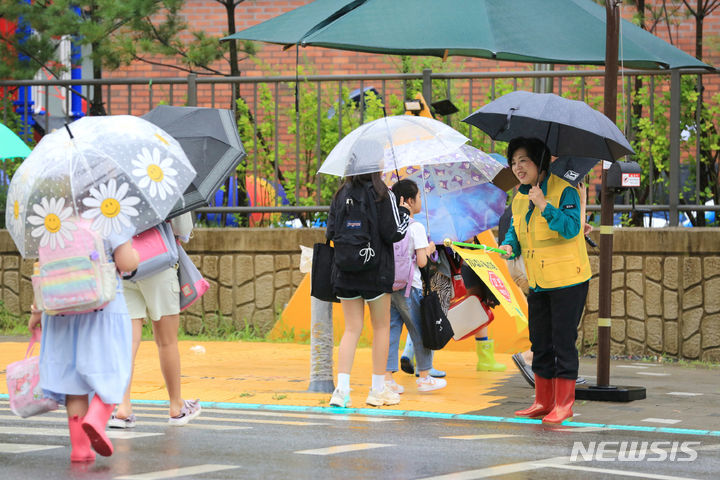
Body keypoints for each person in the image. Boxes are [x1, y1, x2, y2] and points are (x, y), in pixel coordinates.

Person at [498, 137, 591, 425]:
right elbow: (516, 229)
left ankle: (564, 404)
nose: (517, 168)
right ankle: (542, 401)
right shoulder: (519, 197)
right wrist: (509, 244)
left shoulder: (566, 191)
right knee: (539, 341)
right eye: (513, 162)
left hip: (568, 280)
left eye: (523, 160)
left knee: (563, 341)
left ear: (540, 160)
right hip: (537, 280)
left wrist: (544, 205)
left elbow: (571, 229)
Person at [28, 231, 139, 463]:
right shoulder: (109, 215)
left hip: (60, 308)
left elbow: (45, 266)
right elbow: (126, 262)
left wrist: (36, 310)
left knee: (74, 382)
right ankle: (97, 418)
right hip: (102, 304)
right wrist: (135, 254)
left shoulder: (53, 219)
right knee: (115, 367)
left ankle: (80, 449)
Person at [326, 165, 410, 408]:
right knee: (382, 327)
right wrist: (404, 214)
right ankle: (377, 390)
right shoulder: (384, 194)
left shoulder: (340, 194)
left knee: (351, 329)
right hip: (375, 272)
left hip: (345, 270)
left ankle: (341, 392)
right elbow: (394, 233)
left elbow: (330, 231)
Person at [109, 213, 200, 428]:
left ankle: (123, 408)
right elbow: (182, 227)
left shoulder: (113, 185)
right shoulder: (162, 181)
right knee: (166, 341)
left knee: (128, 342)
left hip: (124, 264)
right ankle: (176, 407)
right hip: (158, 263)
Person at [384, 179, 447, 394]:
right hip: (411, 287)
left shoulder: (390, 226)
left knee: (391, 331)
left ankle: (387, 379)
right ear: (409, 201)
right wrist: (429, 249)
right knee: (420, 330)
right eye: (419, 196)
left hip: (390, 285)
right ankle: (425, 377)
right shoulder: (416, 226)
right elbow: (421, 262)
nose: (420, 200)